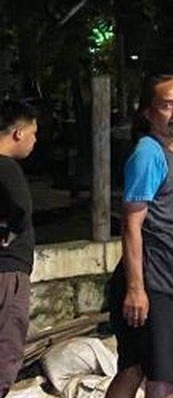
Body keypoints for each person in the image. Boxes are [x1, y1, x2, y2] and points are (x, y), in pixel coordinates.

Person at [105, 75, 173, 398]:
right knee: (162, 376)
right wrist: (137, 288)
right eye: (166, 105)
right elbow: (130, 224)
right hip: (157, 284)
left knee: (137, 367)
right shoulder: (149, 153)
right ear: (148, 112)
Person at [0, 100, 39, 397]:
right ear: (17, 133)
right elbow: (21, 209)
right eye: (33, 133)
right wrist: (10, 230)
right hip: (9, 271)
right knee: (7, 347)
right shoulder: (7, 167)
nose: (34, 141)